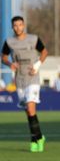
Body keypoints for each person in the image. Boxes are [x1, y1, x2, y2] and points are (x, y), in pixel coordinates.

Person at [1, 16, 48, 152]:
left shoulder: (33, 39)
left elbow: (44, 52)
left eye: (20, 25)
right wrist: (10, 63)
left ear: (24, 25)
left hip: (32, 77)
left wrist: (37, 65)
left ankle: (35, 140)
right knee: (28, 111)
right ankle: (38, 137)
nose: (18, 27)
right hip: (19, 79)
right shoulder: (9, 42)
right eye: (15, 25)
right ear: (12, 27)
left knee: (31, 107)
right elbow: (3, 57)